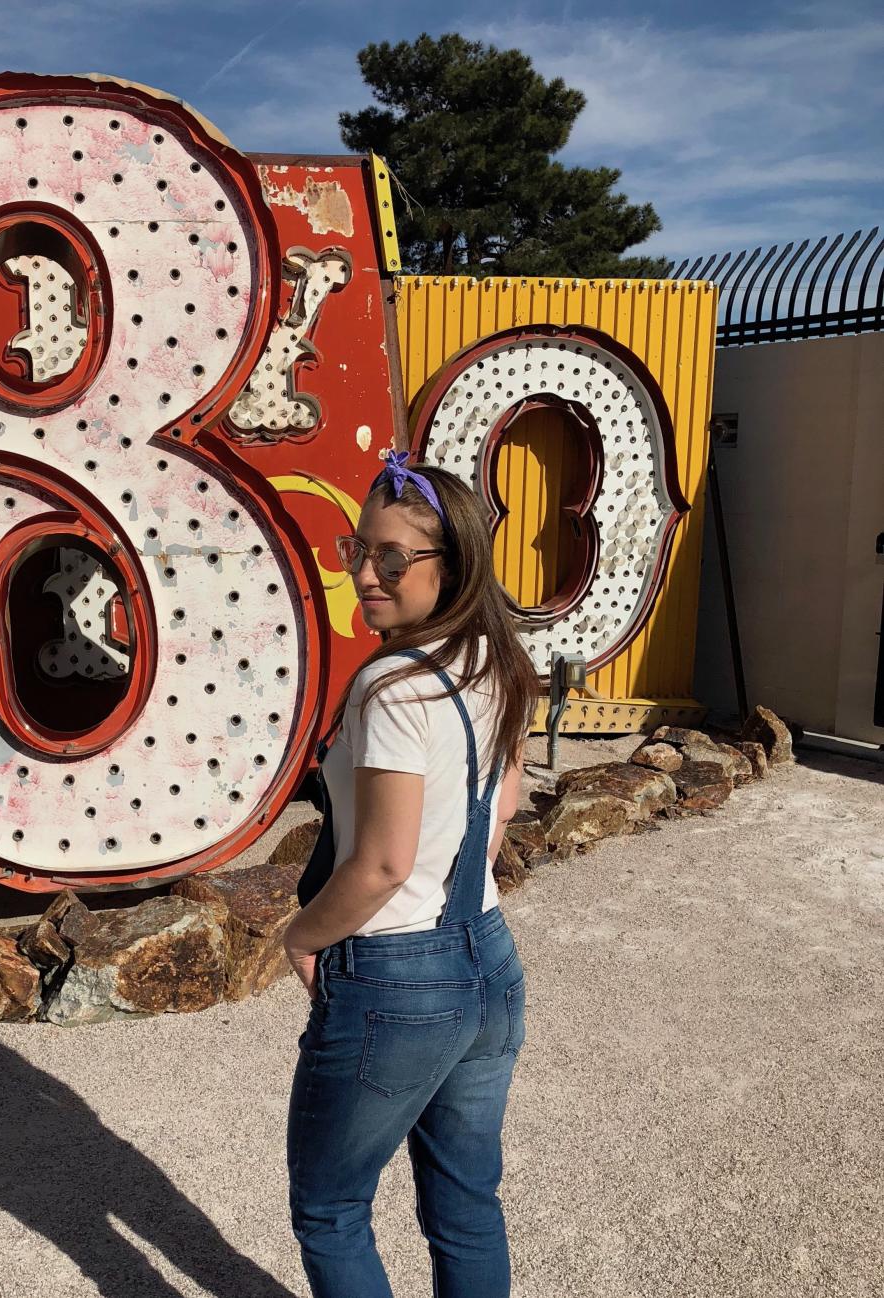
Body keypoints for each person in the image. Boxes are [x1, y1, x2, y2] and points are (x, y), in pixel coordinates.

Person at [283, 448, 539, 1298]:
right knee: (466, 1205)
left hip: (397, 973)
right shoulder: (494, 662)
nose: (368, 573)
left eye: (394, 557)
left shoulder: (393, 687)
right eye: (360, 549)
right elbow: (502, 805)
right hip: (488, 957)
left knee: (331, 1208)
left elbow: (384, 863)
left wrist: (303, 934)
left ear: (451, 565)